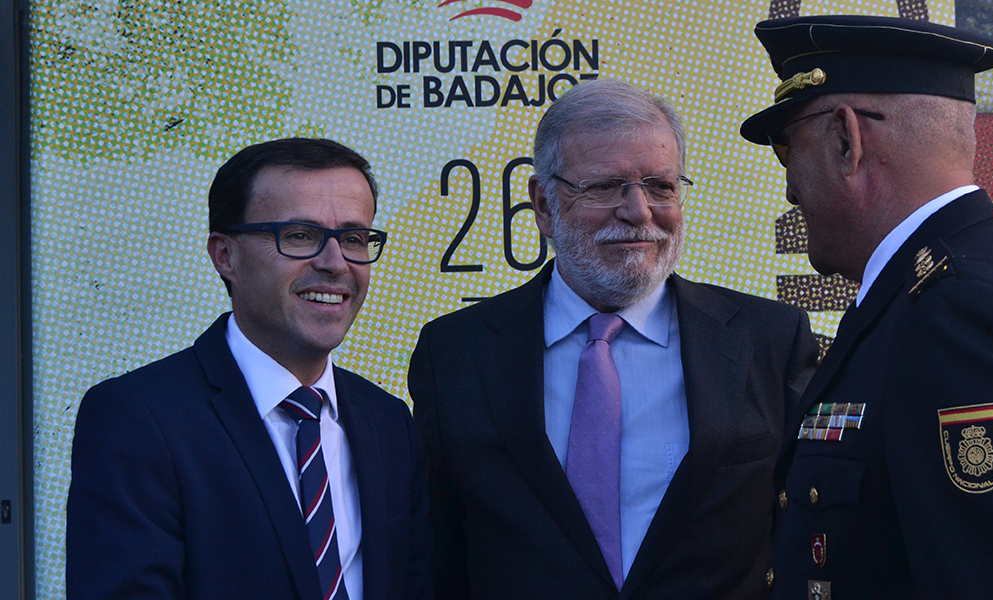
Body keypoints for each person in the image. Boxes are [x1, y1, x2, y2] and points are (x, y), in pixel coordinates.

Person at [739, 15, 993, 599]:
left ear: (846, 140)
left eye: (789, 150)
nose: (789, 188)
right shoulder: (985, 280)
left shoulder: (959, 314)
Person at [408, 78, 820, 599]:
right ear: (542, 204)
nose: (639, 211)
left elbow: (809, 536)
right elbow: (436, 555)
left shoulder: (770, 341)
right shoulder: (454, 354)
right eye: (604, 187)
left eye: (660, 186)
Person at [67, 138, 432, 600]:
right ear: (225, 256)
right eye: (300, 235)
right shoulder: (137, 420)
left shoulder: (388, 422)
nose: (335, 263)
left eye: (355, 239)